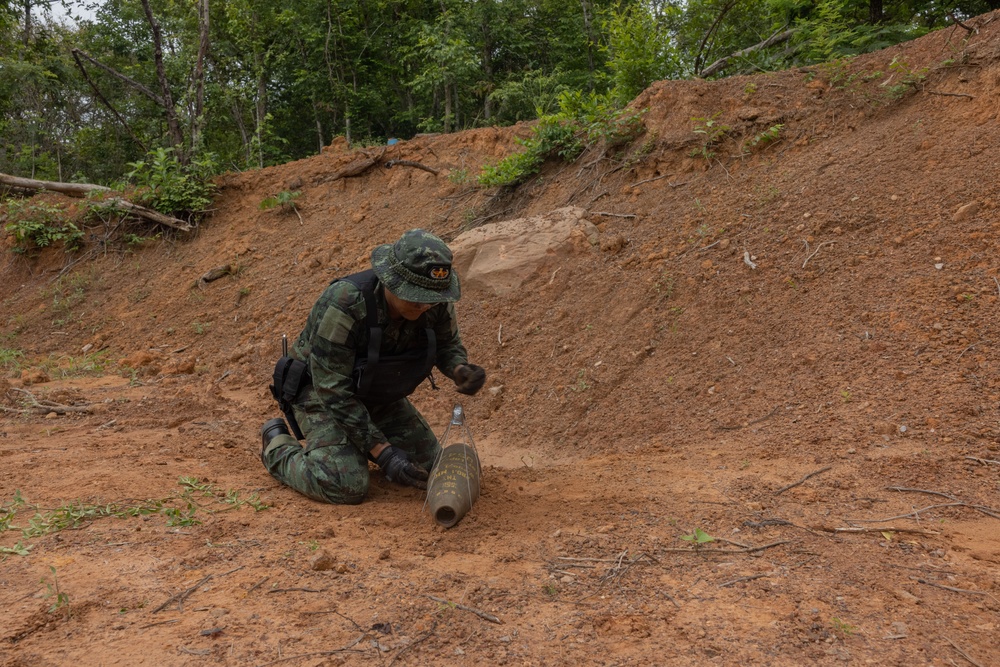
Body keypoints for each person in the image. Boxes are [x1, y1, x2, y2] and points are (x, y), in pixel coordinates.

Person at [260, 229, 486, 505]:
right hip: (318, 394)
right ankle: (277, 448)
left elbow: (447, 344)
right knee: (346, 484)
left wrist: (459, 369)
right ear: (390, 281)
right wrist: (384, 452)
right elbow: (332, 391)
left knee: (431, 470)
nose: (423, 305)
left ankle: (356, 443)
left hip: (375, 393)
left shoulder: (433, 301)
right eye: (415, 295)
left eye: (431, 298)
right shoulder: (345, 303)